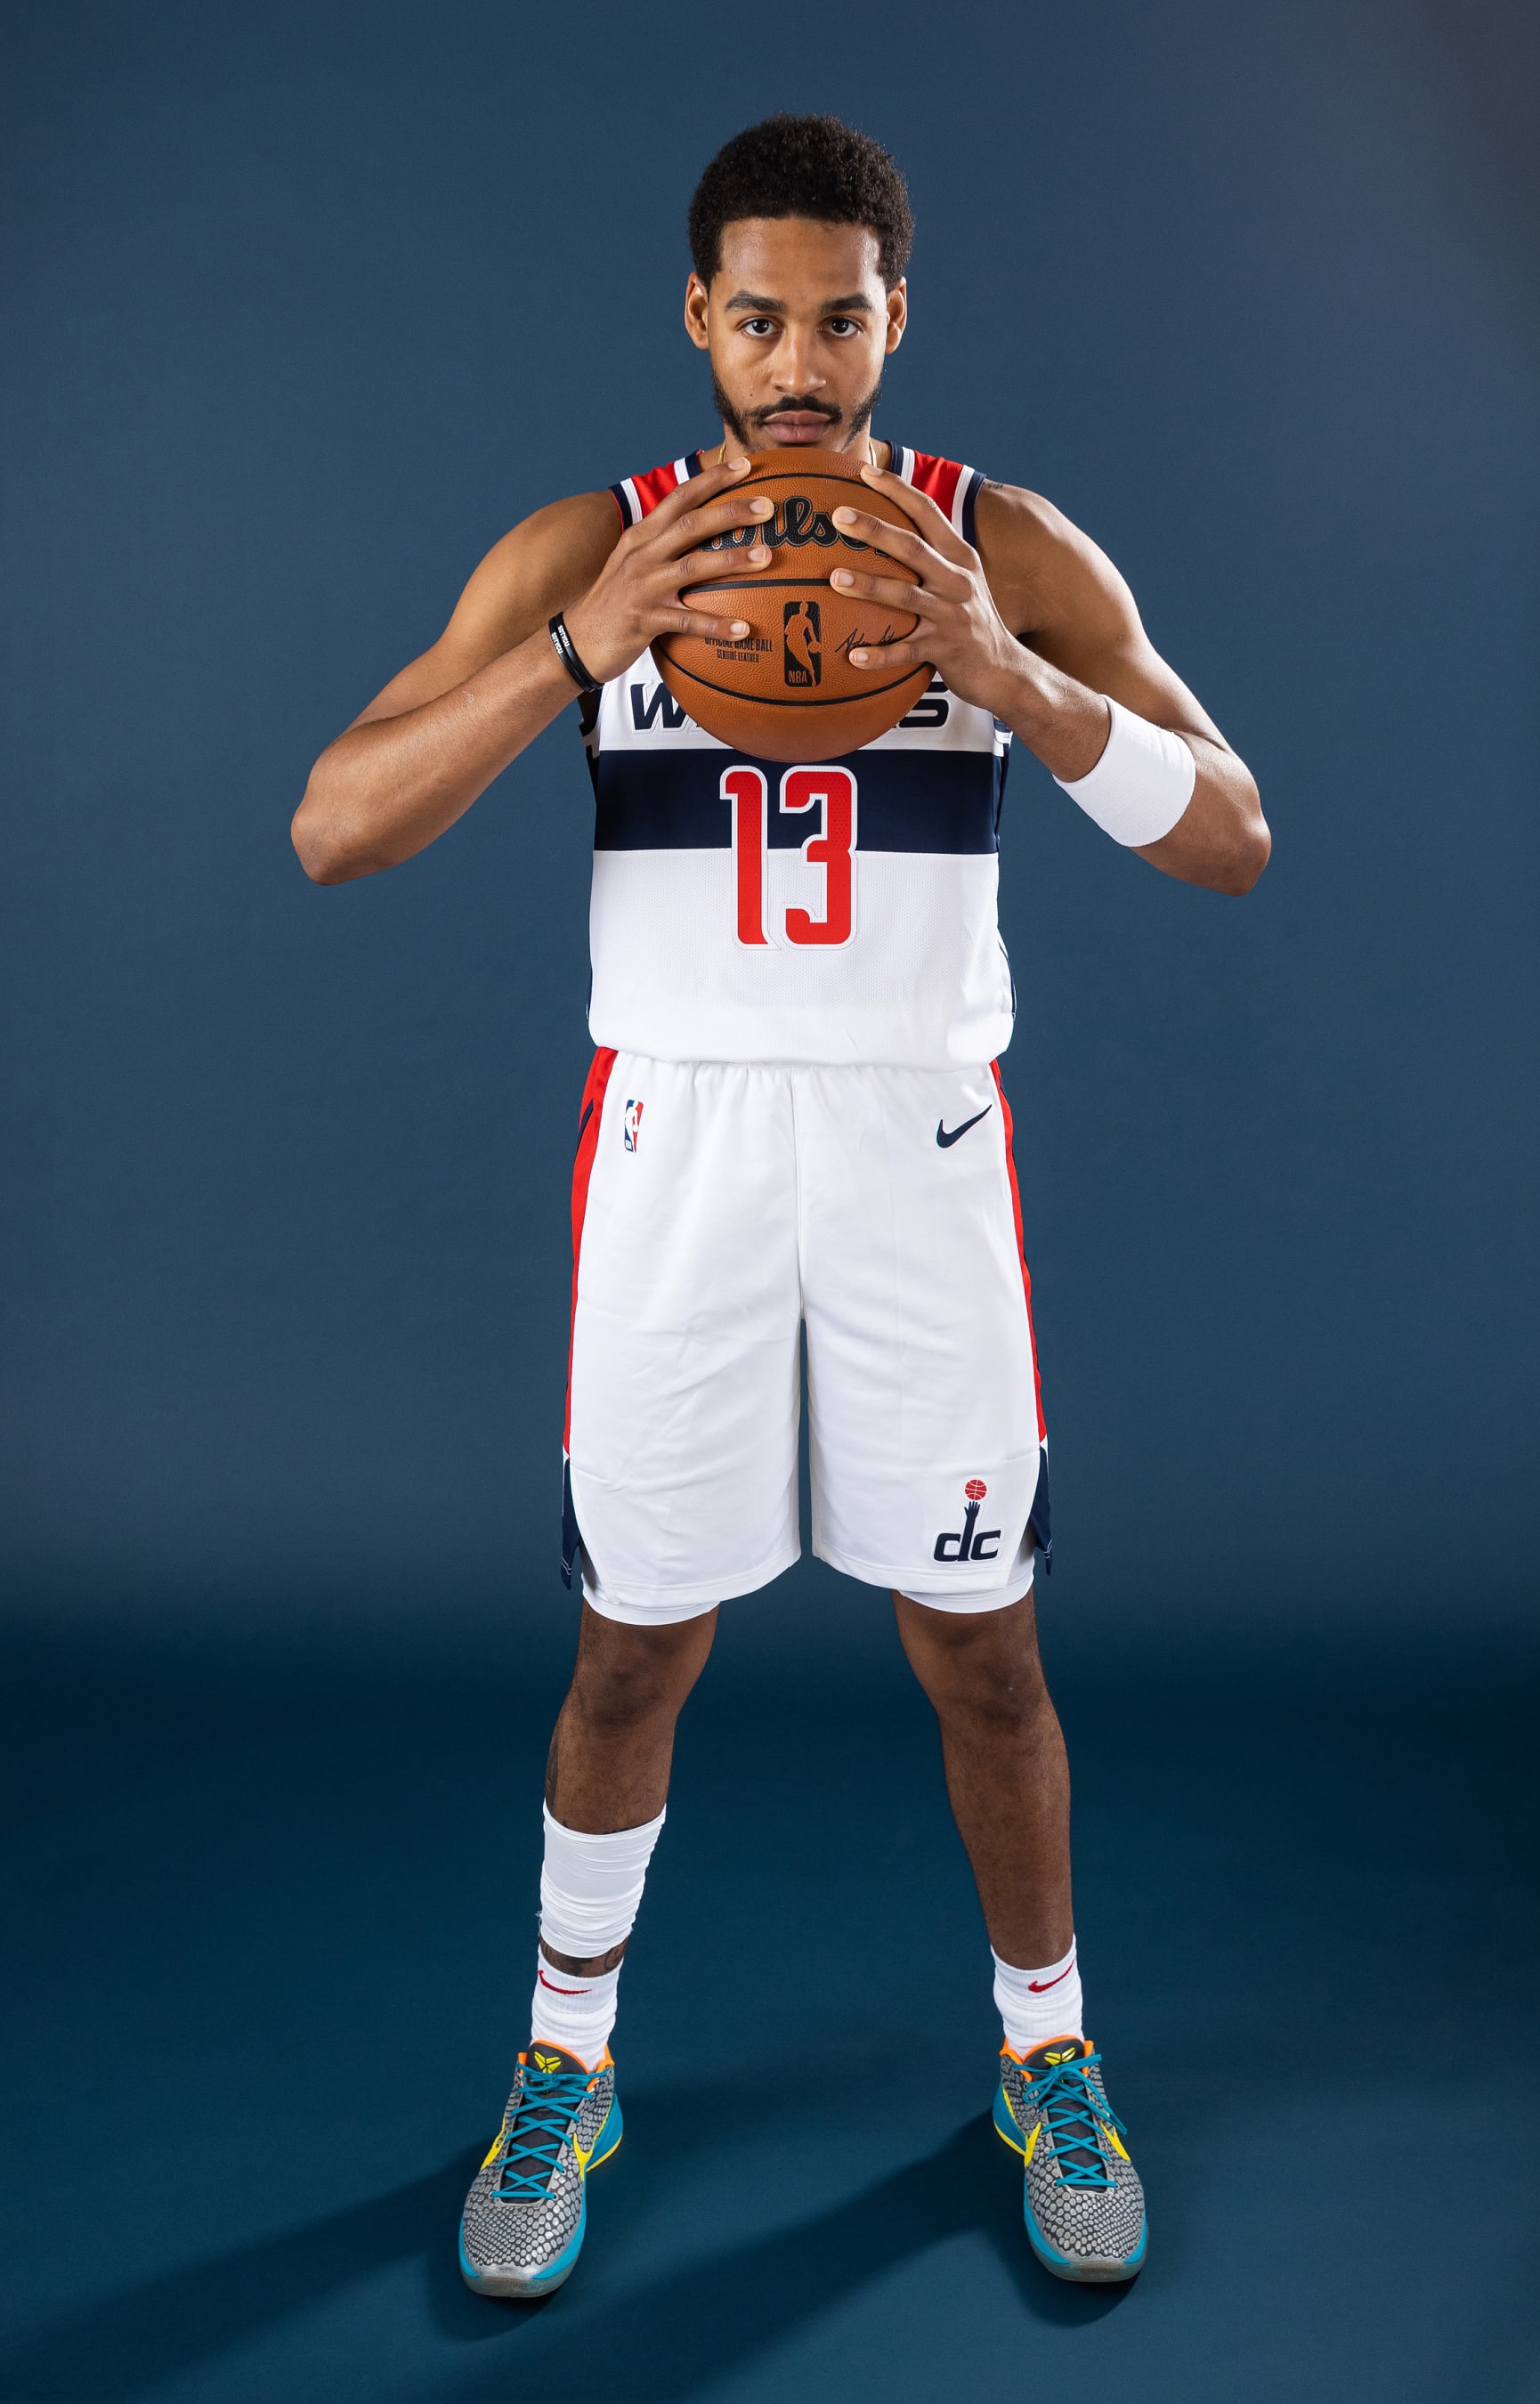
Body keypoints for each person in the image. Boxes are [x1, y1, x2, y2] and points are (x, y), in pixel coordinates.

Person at [292, 111, 1268, 2299]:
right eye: (761, 317)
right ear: (698, 324)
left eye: (841, 315)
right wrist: (578, 653)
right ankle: (567, 2060)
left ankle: (1047, 2051)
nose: (801, 358)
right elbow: (334, 825)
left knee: (985, 1655)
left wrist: (1021, 691)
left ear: (897, 316)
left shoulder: (999, 547)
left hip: (922, 1149)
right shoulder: (591, 545)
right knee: (633, 1647)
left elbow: (1234, 832)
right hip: (683, 1154)